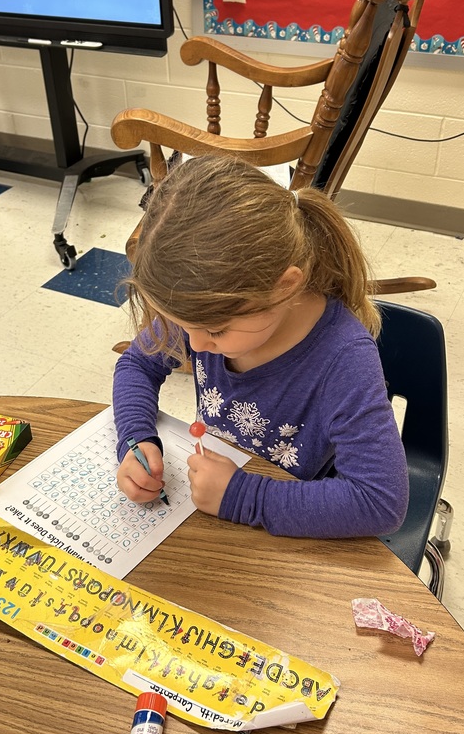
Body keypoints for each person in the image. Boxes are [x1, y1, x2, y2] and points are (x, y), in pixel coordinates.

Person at [112, 155, 408, 539]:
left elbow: (380, 502)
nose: (196, 345)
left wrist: (241, 496)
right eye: (185, 327)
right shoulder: (201, 305)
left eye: (216, 330)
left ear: (285, 287)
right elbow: (137, 365)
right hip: (222, 499)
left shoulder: (344, 358)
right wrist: (136, 438)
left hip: (293, 516)